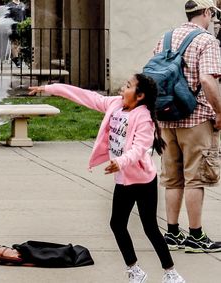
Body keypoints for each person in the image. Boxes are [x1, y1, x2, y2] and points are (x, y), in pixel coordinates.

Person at [28, 75, 185, 283]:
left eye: (128, 86)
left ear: (140, 96)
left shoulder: (144, 117)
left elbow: (140, 149)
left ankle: (171, 273)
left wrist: (120, 161)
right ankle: (135, 270)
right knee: (117, 224)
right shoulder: (115, 105)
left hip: (143, 181)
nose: (122, 87)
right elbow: (85, 96)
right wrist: (49, 89)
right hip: (123, 179)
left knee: (150, 228)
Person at [153, 0, 221, 253]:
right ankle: (196, 235)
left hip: (166, 117)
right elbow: (207, 79)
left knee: (172, 178)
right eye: (213, 14)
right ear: (206, 12)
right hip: (196, 118)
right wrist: (219, 111)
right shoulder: (207, 41)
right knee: (196, 178)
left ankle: (172, 233)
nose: (213, 18)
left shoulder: (166, 37)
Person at [6, 0, 26, 68]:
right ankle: (16, 59)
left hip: (22, 27)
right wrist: (8, 28)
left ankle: (18, 58)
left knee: (20, 44)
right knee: (15, 43)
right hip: (13, 28)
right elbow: (6, 18)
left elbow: (24, 17)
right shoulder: (9, 5)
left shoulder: (22, 4)